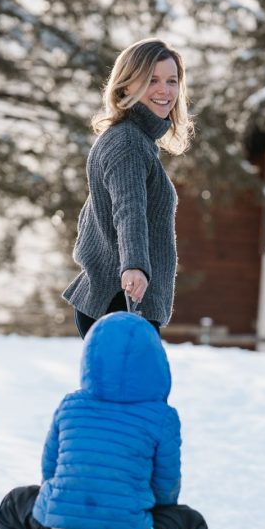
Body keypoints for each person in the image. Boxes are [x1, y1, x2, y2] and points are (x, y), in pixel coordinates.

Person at [0, 312, 208, 529]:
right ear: (156, 364)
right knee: (192, 527)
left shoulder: (71, 405)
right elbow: (166, 488)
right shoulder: (161, 417)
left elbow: (49, 470)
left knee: (14, 502)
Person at [64, 38, 194, 337]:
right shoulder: (128, 142)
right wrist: (133, 266)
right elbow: (128, 209)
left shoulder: (132, 139)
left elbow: (96, 212)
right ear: (126, 86)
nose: (165, 90)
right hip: (122, 300)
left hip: (119, 298)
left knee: (128, 386)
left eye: (172, 81)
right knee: (133, 386)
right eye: (152, 80)